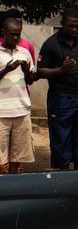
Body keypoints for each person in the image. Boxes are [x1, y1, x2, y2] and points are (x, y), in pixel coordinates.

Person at [37, 8, 78, 170]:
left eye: (77, 26)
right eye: (71, 26)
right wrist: (60, 70)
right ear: (62, 24)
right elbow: (40, 71)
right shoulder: (51, 44)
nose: (75, 29)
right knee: (61, 139)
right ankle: (62, 177)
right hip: (61, 98)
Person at [0, 15, 37, 173]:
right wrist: (7, 69)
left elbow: (30, 80)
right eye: (12, 34)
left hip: (21, 109)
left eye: (18, 34)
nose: (16, 37)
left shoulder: (24, 52)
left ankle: (13, 183)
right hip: (1, 111)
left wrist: (26, 71)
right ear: (4, 33)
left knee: (18, 155)